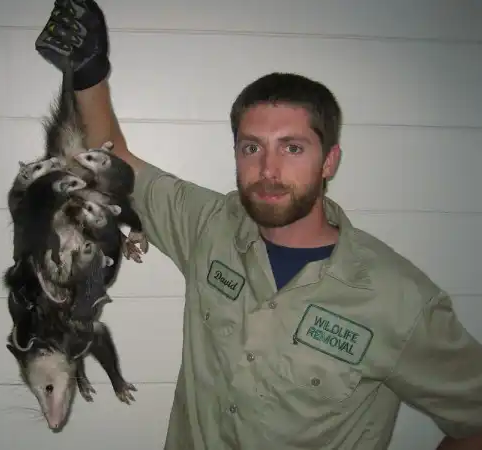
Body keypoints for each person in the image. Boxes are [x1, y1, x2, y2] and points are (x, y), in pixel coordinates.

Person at [34, 1, 482, 449]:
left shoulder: (399, 300)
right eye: (252, 148)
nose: (268, 170)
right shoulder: (208, 227)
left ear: (329, 161)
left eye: (292, 148)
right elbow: (115, 162)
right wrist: (89, 74)